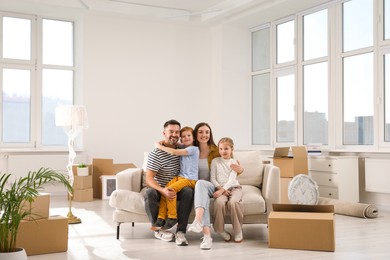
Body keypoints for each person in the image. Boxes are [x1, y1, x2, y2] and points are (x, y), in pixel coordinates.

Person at [187, 122, 244, 250]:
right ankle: (207, 232)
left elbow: (230, 165)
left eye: (207, 132)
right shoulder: (190, 150)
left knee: (229, 201)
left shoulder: (215, 150)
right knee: (201, 184)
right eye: (200, 132)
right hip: (207, 185)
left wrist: (241, 169)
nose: (204, 135)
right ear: (196, 134)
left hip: (219, 186)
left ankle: (199, 223)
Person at [144, 120, 194, 246]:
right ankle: (158, 229)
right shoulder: (156, 153)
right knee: (149, 192)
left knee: (188, 191)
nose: (174, 134)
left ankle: (180, 232)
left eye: (177, 132)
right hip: (161, 187)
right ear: (164, 133)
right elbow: (149, 179)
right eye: (171, 131)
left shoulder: (183, 149)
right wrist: (162, 190)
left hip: (178, 187)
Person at [152, 126, 199, 232]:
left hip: (190, 179)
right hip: (180, 177)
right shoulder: (183, 146)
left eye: (189, 136)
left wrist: (159, 147)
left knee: (170, 190)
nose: (186, 138)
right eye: (183, 136)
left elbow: (174, 152)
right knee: (165, 189)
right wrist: (158, 143)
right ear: (181, 139)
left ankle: (172, 218)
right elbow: (168, 142)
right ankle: (161, 218)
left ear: (194, 138)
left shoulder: (193, 149)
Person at [210, 137, 243, 243]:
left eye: (226, 149)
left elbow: (232, 179)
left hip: (234, 188)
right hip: (221, 189)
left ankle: (238, 231)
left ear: (231, 149)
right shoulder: (215, 161)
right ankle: (220, 230)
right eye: (221, 149)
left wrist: (222, 190)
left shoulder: (234, 162)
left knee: (233, 202)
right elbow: (212, 178)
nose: (223, 151)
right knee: (219, 202)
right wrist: (221, 190)